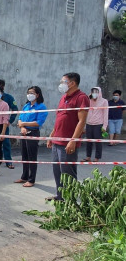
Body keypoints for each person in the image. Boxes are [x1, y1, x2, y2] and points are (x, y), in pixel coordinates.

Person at [46, 72, 89, 201]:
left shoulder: (81, 97)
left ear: (73, 83)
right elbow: (60, 118)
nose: (61, 84)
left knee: (68, 172)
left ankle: (71, 201)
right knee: (57, 171)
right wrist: (51, 136)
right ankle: (60, 196)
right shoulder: (63, 97)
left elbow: (82, 121)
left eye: (63, 82)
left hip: (68, 142)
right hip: (57, 140)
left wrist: (73, 140)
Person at [15, 86, 48, 187]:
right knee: (24, 156)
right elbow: (20, 119)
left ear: (37, 95)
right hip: (24, 132)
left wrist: (24, 124)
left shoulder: (41, 107)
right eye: (28, 92)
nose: (30, 95)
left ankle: (31, 179)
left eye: (32, 93)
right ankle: (24, 176)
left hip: (33, 133)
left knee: (32, 157)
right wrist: (22, 127)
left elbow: (38, 122)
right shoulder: (26, 106)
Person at [0, 79, 18, 169]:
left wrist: (10, 121)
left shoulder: (9, 97)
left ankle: (8, 161)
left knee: (5, 143)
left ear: (3, 86)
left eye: (0, 85)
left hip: (3, 125)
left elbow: (15, 109)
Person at [83, 87, 108, 162]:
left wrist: (104, 126)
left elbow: (106, 114)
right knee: (88, 141)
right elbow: (85, 110)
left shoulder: (104, 101)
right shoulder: (89, 100)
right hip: (89, 123)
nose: (94, 93)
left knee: (98, 142)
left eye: (96, 92)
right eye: (93, 92)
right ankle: (88, 156)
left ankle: (97, 157)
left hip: (98, 124)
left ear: (99, 93)